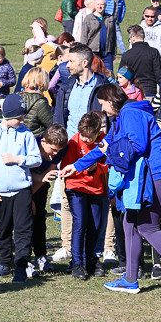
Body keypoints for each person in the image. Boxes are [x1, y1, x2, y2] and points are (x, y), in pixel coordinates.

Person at [64, 84, 161, 296]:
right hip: (152, 176)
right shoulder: (121, 118)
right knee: (130, 224)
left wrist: (113, 150)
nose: (103, 111)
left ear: (110, 100)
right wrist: (78, 165)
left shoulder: (131, 113)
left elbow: (138, 146)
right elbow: (104, 147)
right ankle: (130, 279)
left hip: (159, 175)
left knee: (147, 227)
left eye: (102, 104)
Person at [0, 95, 41, 282]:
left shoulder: (26, 134)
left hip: (21, 190)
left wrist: (18, 160)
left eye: (24, 117)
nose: (23, 120)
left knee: (23, 229)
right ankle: (3, 264)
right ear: (7, 115)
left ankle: (22, 265)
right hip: (0, 192)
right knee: (3, 229)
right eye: (19, 117)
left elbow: (36, 159)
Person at [60, 111, 108, 280]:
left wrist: (97, 168)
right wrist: (83, 171)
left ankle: (91, 260)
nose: (86, 140)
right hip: (76, 187)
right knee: (80, 223)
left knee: (95, 225)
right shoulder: (74, 141)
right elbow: (67, 168)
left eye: (90, 137)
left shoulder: (104, 141)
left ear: (98, 132)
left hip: (96, 189)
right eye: (84, 136)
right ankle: (77, 263)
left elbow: (109, 164)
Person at [118, 24, 161, 97]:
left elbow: (121, 77)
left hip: (132, 94)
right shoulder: (154, 52)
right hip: (150, 91)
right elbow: (160, 76)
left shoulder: (127, 55)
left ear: (133, 38)